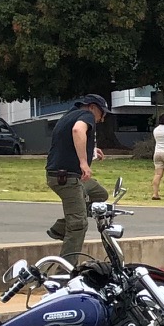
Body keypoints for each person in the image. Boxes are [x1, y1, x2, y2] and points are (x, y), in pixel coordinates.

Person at [44, 93, 108, 263]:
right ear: (93, 107)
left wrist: (91, 150)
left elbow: (67, 141)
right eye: (102, 113)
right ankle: (64, 271)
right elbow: (78, 130)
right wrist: (83, 162)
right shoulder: (87, 115)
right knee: (78, 224)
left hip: (61, 175)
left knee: (99, 194)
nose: (102, 119)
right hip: (67, 178)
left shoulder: (68, 115)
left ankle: (60, 228)